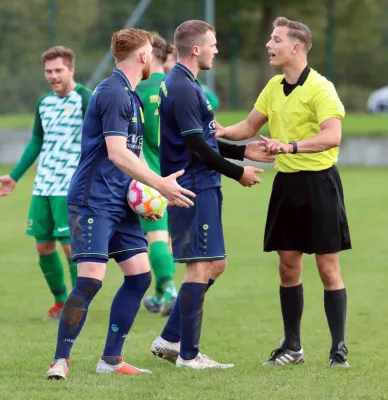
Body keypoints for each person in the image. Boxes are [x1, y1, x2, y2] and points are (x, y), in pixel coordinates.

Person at [44, 28, 196, 380]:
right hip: (93, 199)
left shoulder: (131, 96)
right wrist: (160, 184)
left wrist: (145, 194)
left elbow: (133, 154)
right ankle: (60, 361)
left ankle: (110, 360)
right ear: (144, 56)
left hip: (120, 201)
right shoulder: (113, 93)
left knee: (139, 275)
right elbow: (116, 153)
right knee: (91, 280)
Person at [217, 17, 351, 368]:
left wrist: (289, 147)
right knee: (288, 267)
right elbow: (248, 126)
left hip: (320, 184)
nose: (268, 45)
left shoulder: (322, 88)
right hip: (287, 187)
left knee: (327, 268)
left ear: (296, 47)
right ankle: (293, 347)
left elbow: (332, 136)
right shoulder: (273, 86)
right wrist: (217, 132)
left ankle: (339, 349)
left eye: (275, 40)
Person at [150, 20, 274, 370]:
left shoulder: (187, 84)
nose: (216, 50)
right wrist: (239, 173)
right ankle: (189, 356)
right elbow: (197, 149)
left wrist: (242, 151)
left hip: (202, 184)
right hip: (195, 186)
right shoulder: (184, 88)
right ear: (196, 49)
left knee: (215, 264)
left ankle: (169, 338)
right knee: (199, 268)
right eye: (213, 44)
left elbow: (203, 142)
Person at [0, 46, 93, 320]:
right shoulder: (44, 103)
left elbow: (99, 139)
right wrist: (14, 176)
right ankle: (61, 302)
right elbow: (37, 140)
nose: (53, 76)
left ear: (71, 70)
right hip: (43, 185)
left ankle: (78, 304)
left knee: (71, 247)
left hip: (70, 185)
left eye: (58, 70)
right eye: (48, 71)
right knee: (43, 246)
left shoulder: (86, 98)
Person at [135, 33, 178, 317]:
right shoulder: (184, 86)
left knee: (156, 237)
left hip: (151, 177)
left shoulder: (136, 91)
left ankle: (171, 290)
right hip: (184, 174)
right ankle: (160, 296)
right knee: (166, 238)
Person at [164, 43, 220, 110]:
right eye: (163, 61)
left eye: (169, 61)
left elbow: (214, 101)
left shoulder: (188, 79)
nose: (165, 64)